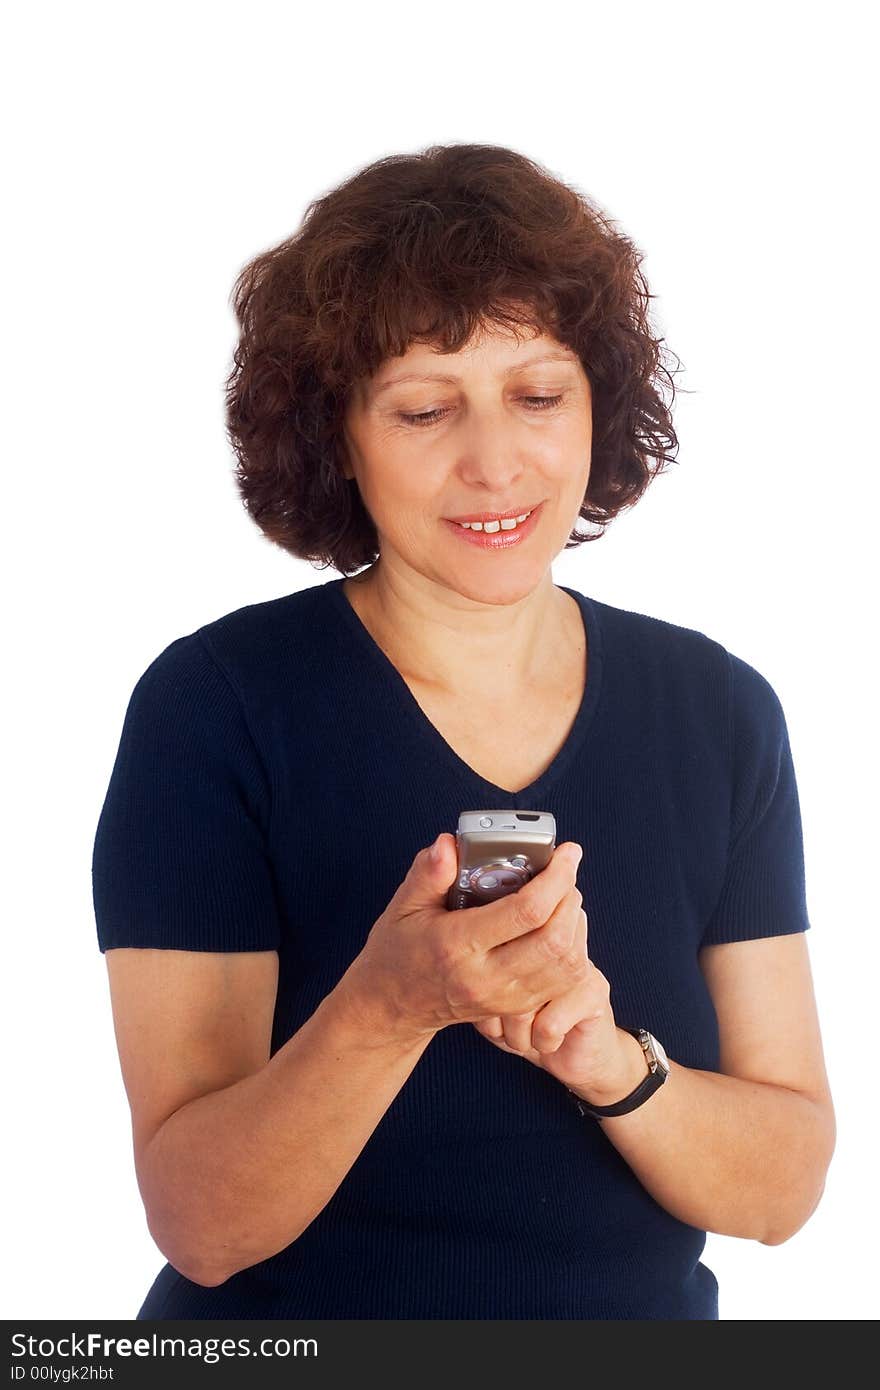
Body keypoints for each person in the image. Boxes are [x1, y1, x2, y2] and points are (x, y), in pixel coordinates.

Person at [91, 142, 836, 1321]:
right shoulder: (217, 706)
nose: (494, 463)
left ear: (601, 401)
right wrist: (389, 1007)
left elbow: (781, 1189)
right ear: (335, 433)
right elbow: (204, 1225)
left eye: (538, 395)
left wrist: (606, 1059)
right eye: (426, 407)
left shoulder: (718, 709)